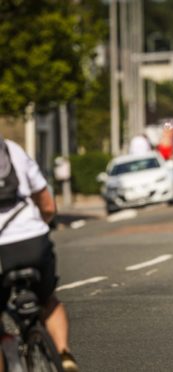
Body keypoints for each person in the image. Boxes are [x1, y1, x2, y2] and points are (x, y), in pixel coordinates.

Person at [0, 137, 78, 371]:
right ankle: (64, 355)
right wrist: (41, 226)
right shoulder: (11, 149)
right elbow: (47, 205)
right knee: (48, 300)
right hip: (33, 240)